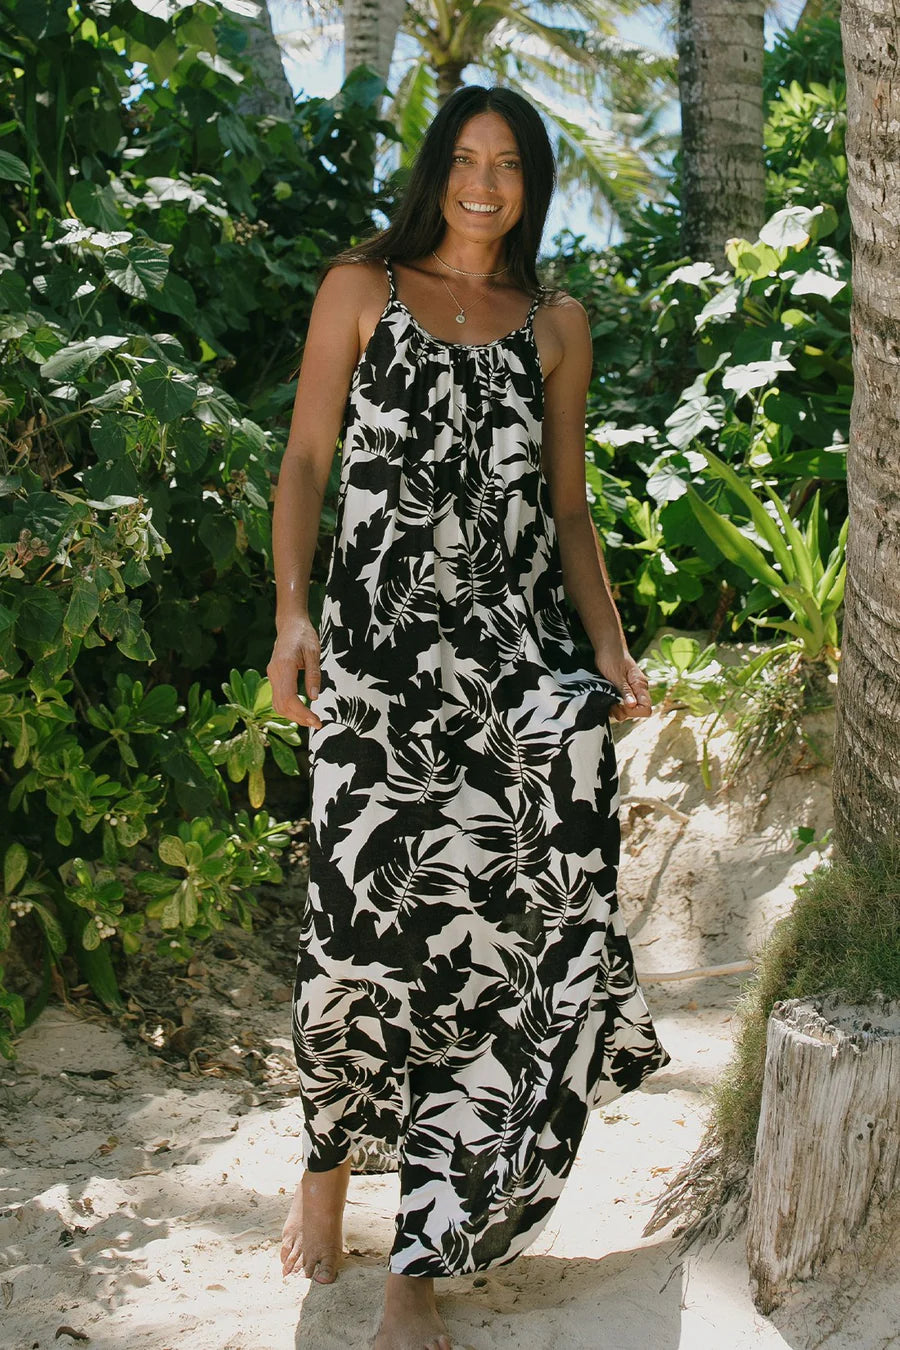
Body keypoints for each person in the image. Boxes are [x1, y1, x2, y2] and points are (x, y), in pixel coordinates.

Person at [267, 84, 670, 1350]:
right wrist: (292, 617)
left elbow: (568, 509)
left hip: (507, 663)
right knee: (358, 932)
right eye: (466, 159)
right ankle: (328, 1164)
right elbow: (306, 462)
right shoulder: (361, 289)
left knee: (494, 950)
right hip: (377, 667)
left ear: (531, 185)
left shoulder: (556, 324)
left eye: (509, 166)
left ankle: (420, 1261)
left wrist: (608, 647)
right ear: (437, 169)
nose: (484, 184)